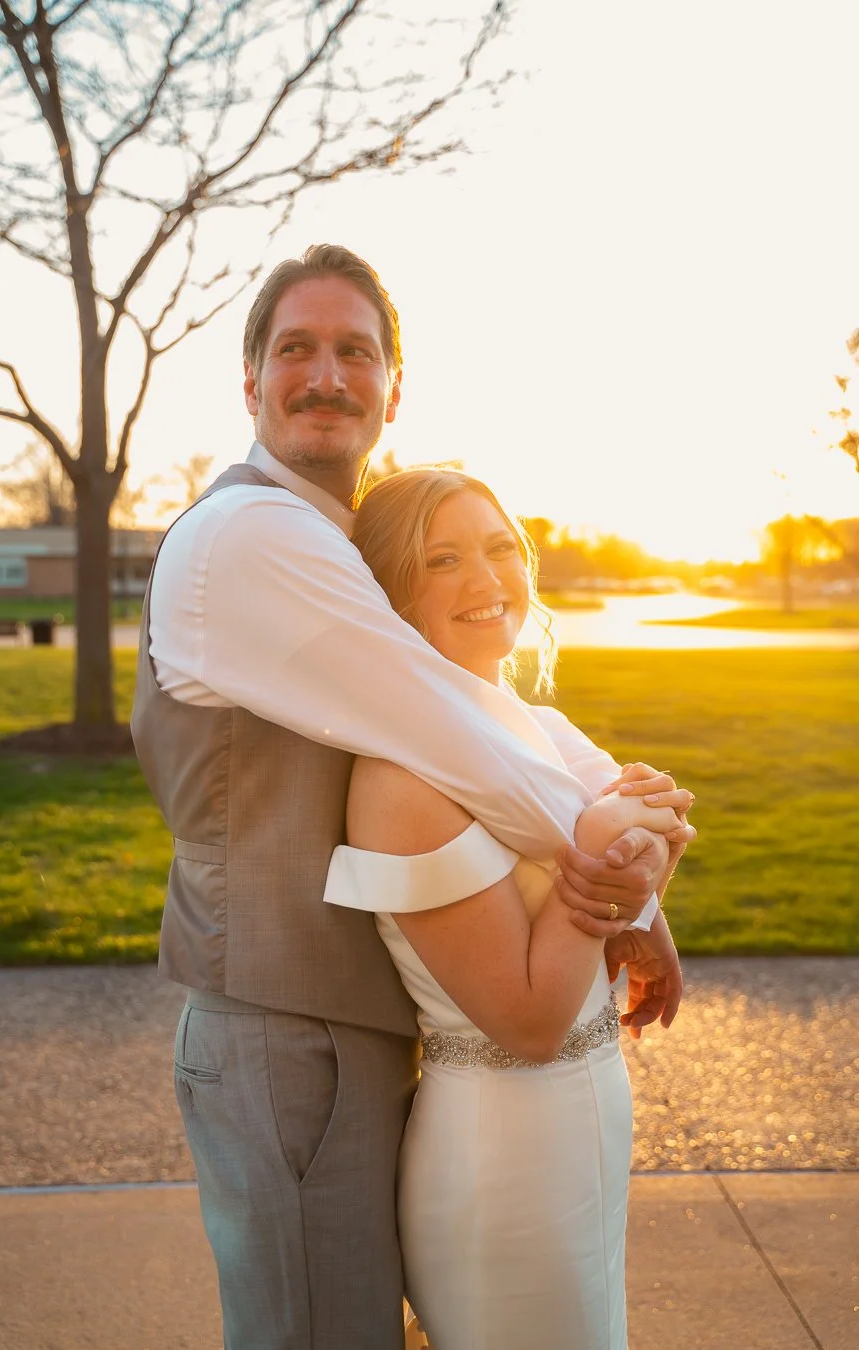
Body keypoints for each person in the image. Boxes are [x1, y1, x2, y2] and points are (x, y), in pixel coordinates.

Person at [130, 244, 694, 1350]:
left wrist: (633, 884)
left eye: (357, 352)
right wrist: (624, 887)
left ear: (394, 388)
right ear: (249, 382)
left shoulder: (341, 541)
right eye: (296, 348)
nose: (327, 375)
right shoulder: (253, 534)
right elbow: (452, 731)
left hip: (360, 1030)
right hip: (285, 1032)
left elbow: (500, 717)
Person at [326, 467, 691, 1349]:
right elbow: (528, 1019)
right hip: (503, 1150)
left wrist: (648, 906)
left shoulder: (534, 728)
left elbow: (646, 853)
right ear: (392, 595)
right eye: (442, 559)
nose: (486, 580)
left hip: (587, 1120)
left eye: (498, 547)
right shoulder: (398, 780)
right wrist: (607, 840)